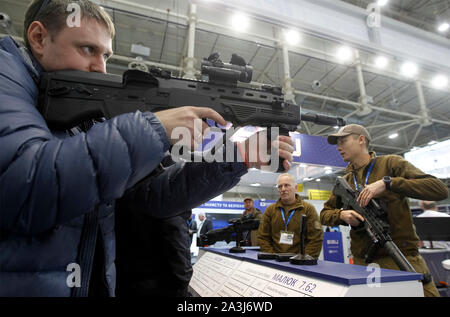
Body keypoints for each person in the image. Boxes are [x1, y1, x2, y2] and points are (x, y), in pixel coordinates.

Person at [0, 0, 294, 297]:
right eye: (88, 49)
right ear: (38, 37)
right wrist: (153, 127)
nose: (100, 68)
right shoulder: (6, 76)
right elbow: (22, 186)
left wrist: (238, 156)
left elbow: (153, 198)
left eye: (105, 55)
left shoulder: (87, 117)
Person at [320, 124, 448, 297]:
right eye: (337, 143)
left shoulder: (390, 163)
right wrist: (342, 215)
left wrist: (388, 183)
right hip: (363, 262)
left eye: (343, 140)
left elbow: (439, 189)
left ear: (361, 140)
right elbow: (324, 214)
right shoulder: (346, 180)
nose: (339, 147)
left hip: (400, 258)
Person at [257, 174, 323, 257]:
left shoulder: (308, 209)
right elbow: (263, 237)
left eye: (287, 185)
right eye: (280, 187)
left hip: (299, 262)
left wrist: (303, 259)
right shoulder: (270, 210)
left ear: (296, 188)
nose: (283, 189)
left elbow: (316, 239)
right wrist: (273, 257)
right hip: (276, 261)